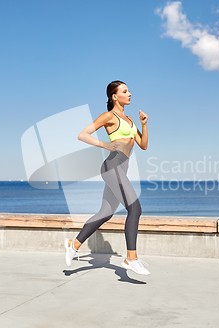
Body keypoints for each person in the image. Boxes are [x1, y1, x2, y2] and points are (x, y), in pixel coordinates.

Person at [64, 80, 150, 275]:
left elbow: (143, 145)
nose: (130, 94)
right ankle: (131, 258)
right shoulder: (108, 116)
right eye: (125, 91)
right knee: (135, 208)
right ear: (114, 96)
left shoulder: (129, 120)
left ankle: (73, 245)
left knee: (106, 213)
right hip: (112, 166)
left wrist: (144, 125)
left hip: (121, 169)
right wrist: (104, 144)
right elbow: (83, 135)